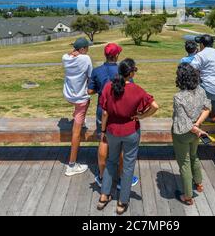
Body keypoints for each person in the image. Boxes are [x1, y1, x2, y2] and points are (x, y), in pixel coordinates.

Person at [97, 59, 159, 215]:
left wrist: (103, 130)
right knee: (128, 165)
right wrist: (141, 116)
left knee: (111, 161)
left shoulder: (108, 87)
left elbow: (105, 113)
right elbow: (155, 106)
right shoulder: (137, 90)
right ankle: (122, 201)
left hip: (112, 130)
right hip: (130, 131)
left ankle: (104, 195)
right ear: (131, 73)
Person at [88, 43, 139, 188]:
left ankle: (102, 176)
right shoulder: (123, 70)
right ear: (116, 56)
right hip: (121, 110)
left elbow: (90, 91)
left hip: (103, 109)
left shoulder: (97, 70)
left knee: (103, 141)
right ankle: (122, 178)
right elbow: (130, 88)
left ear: (105, 55)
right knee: (122, 144)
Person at [173, 63, 211, 206]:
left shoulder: (179, 97)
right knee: (194, 156)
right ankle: (199, 183)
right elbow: (207, 108)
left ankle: (188, 196)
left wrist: (196, 128)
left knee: (184, 163)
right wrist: (198, 125)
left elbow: (184, 124)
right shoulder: (201, 90)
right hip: (195, 133)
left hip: (182, 134)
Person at [191, 34, 215, 170]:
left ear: (202, 44)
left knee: (196, 117)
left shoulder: (200, 55)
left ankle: (192, 151)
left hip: (207, 91)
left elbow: (190, 70)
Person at [62, 37, 93, 177]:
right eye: (86, 48)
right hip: (80, 99)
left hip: (69, 96)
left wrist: (73, 52)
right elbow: (90, 76)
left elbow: (68, 54)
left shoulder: (65, 58)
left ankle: (80, 119)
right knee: (76, 132)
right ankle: (72, 165)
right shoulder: (85, 59)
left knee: (88, 101)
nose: (88, 50)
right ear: (82, 49)